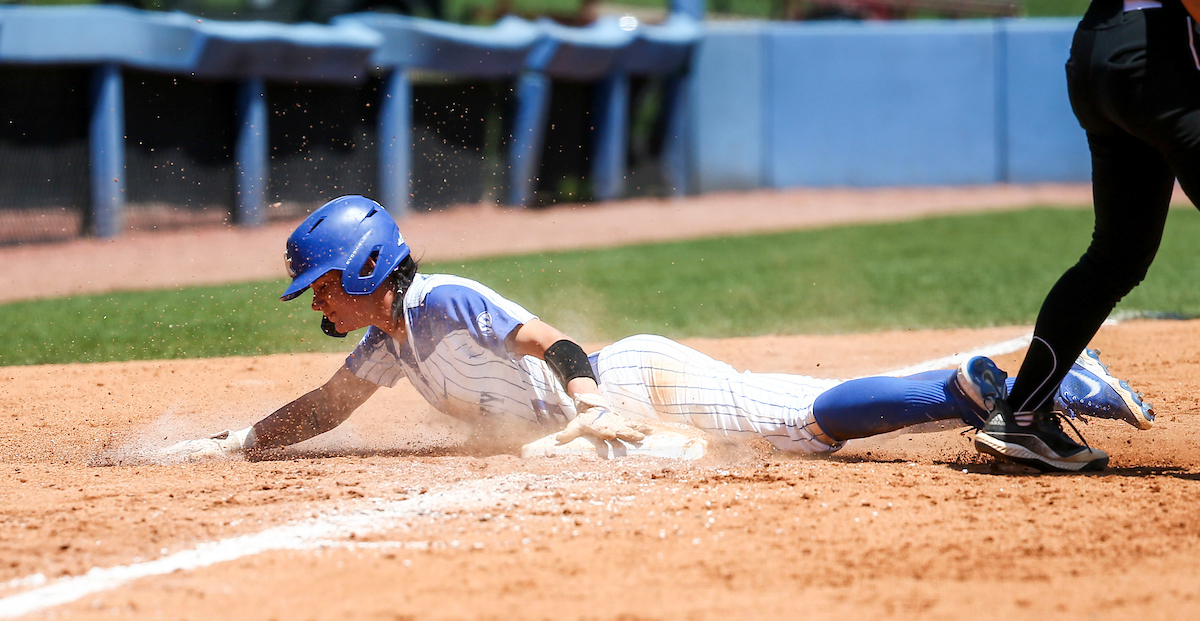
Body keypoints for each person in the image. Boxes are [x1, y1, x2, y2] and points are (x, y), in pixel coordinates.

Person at [164, 196, 1154, 464]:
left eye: (324, 287)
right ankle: (1003, 382)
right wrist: (237, 442)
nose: (320, 304)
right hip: (618, 409)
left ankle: (1015, 380)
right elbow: (326, 409)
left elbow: (557, 344)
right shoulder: (388, 343)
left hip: (637, 385)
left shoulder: (442, 300)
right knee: (801, 431)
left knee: (804, 424)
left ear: (369, 270)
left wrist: (588, 404)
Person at [975, 0, 1193, 471]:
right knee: (1116, 256)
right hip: (1158, 55)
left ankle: (1024, 416)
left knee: (1117, 256)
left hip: (1096, 52)